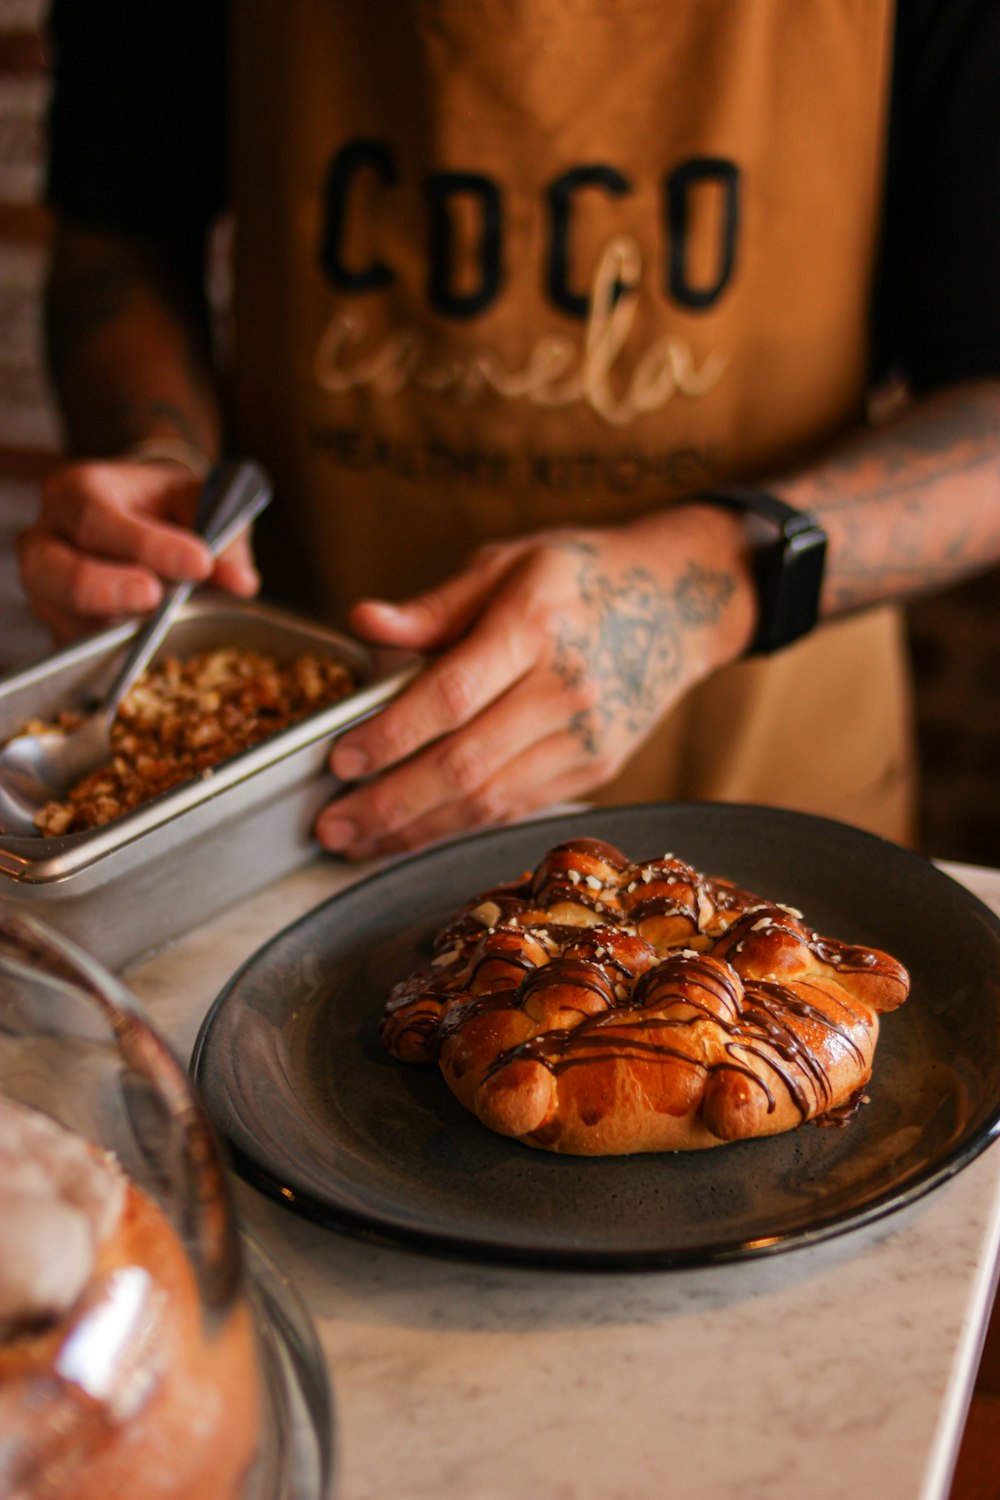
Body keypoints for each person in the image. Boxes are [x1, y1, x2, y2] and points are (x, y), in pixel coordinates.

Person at [18, 0, 1000, 863]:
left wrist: (716, 580)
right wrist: (160, 463)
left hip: (767, 781)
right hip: (301, 774)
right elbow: (122, 243)